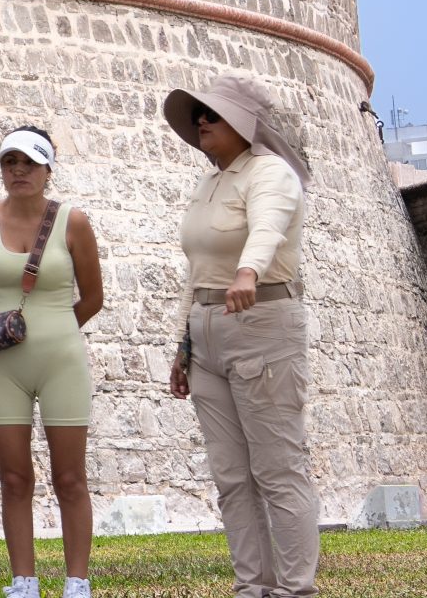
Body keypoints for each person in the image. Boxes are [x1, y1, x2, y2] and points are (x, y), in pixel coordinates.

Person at [164, 75, 318, 598]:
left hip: (262, 324)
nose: (201, 121)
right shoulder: (209, 184)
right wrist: (182, 345)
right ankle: (252, 586)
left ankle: (296, 590)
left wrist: (249, 272)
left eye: (213, 113)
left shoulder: (271, 173)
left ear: (246, 125)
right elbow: (197, 273)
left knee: (278, 468)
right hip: (207, 335)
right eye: (198, 114)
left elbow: (268, 229)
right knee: (231, 476)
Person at [0, 128, 103, 598]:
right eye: (9, 161)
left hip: (62, 360)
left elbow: (94, 298)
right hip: (3, 365)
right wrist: (7, 333)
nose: (18, 171)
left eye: (29, 163)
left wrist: (53, 328)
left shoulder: (73, 222)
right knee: (15, 476)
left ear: (48, 171)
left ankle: (76, 582)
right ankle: (24, 581)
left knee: (70, 476)